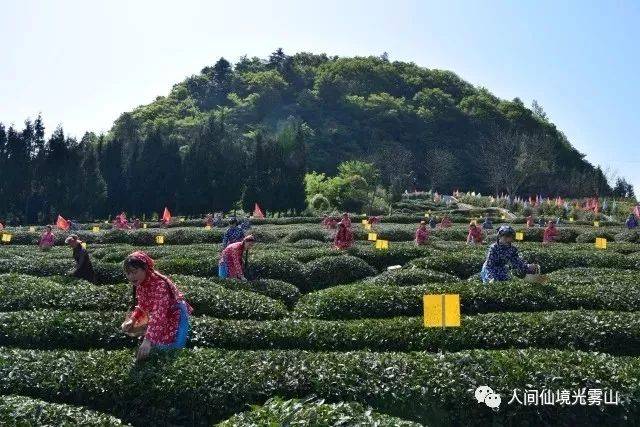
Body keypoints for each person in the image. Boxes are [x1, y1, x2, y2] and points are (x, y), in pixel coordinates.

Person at [120, 251, 192, 361]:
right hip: (160, 317)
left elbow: (159, 314)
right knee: (158, 347)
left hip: (175, 315)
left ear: (145, 268)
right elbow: (142, 306)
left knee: (173, 351)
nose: (131, 277)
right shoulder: (141, 284)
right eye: (128, 273)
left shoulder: (160, 285)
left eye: (134, 272)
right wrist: (132, 320)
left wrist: (147, 340)